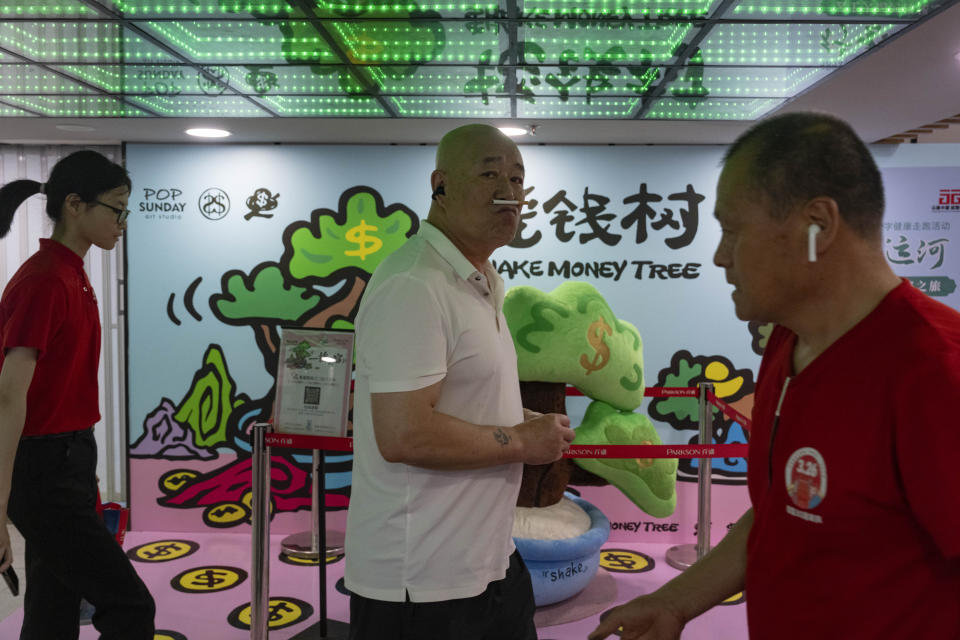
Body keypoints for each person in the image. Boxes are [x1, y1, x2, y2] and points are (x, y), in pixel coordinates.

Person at [589, 112, 960, 639]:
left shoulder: (934, 370)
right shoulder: (787, 341)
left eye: (733, 231)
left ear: (817, 227)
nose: (720, 257)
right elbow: (778, 513)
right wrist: (674, 602)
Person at [344, 124, 576, 639]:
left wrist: (523, 421)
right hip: (422, 583)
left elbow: (458, 404)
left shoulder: (482, 281)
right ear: (440, 185)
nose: (509, 192)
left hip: (489, 561)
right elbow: (404, 433)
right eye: (490, 173)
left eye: (518, 178)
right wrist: (519, 441)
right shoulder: (413, 284)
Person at [0, 150, 156, 639]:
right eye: (116, 208)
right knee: (129, 604)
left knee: (53, 605)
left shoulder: (71, 272)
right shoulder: (44, 280)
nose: (122, 222)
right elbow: (8, 399)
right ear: (74, 204)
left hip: (68, 458)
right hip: (42, 467)